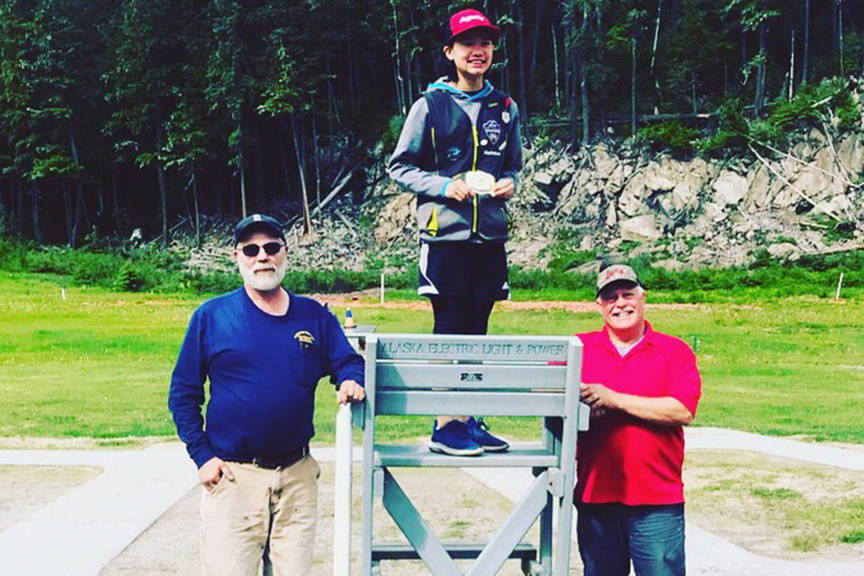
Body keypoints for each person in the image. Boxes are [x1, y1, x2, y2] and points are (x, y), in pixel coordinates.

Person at [168, 213, 365, 576]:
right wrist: (202, 456)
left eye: (271, 247)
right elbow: (183, 393)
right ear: (237, 257)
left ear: (284, 253)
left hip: (297, 477)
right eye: (252, 249)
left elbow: (348, 361)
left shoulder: (315, 316)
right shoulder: (212, 316)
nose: (262, 256)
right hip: (233, 477)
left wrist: (350, 379)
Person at [388, 7, 520, 456]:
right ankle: (445, 423)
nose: (477, 50)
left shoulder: (505, 107)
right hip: (444, 236)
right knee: (450, 327)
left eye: (484, 42)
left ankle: (470, 416)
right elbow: (400, 167)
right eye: (467, 43)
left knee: (478, 329)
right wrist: (446, 186)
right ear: (450, 52)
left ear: (492, 50)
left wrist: (510, 184)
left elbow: (514, 166)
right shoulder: (430, 106)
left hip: (490, 238)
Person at [575, 263, 702, 576]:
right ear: (599, 306)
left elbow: (681, 410)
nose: (620, 304)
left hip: (657, 497)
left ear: (643, 297)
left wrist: (613, 398)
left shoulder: (674, 351)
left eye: (627, 294)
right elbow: (546, 392)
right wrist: (583, 409)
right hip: (596, 494)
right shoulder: (579, 347)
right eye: (611, 298)